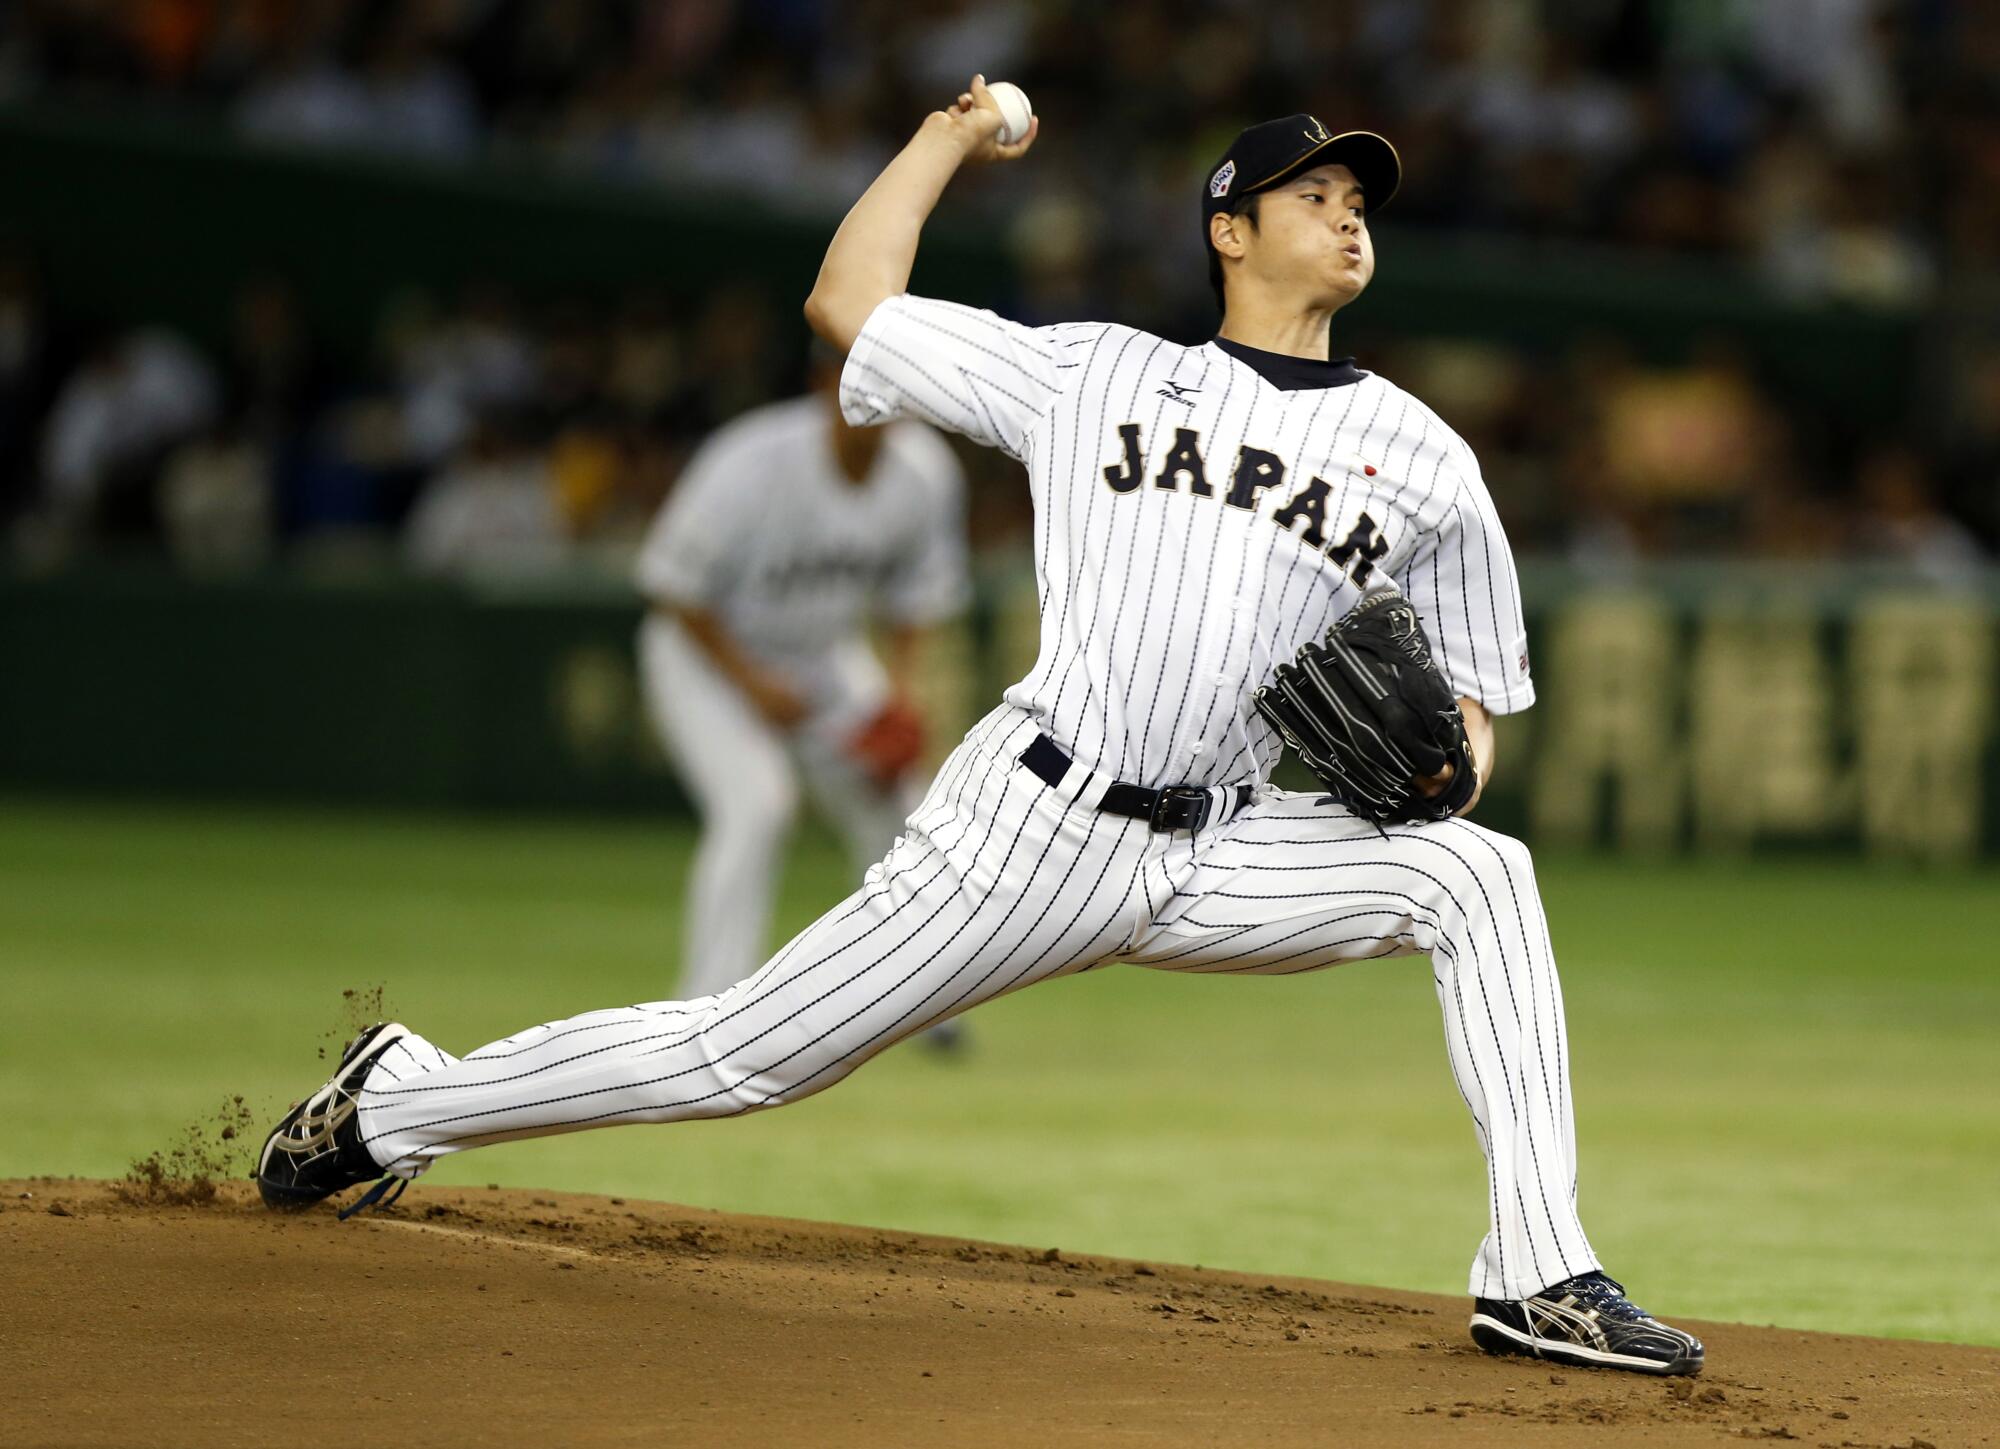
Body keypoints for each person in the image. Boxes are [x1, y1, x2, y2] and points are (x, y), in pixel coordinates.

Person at [257, 81, 1704, 1379]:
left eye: (1358, 201)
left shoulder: (1428, 459)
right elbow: (850, 303)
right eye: (1311, 194)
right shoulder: (1098, 374)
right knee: (742, 1057)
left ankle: (1538, 1274)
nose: (1345, 216)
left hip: (1222, 844)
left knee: (1480, 874)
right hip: (1034, 823)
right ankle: (400, 1103)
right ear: (1228, 231)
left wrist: (1449, 769)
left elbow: (1473, 703)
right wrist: (949, 137)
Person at [633, 355, 971, 1026]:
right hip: (707, 656)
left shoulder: (924, 472)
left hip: (823, 657)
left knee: (908, 805)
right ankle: (705, 1006)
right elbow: (671, 584)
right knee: (757, 804)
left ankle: (922, 1002)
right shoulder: (751, 460)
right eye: (861, 382)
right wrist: (751, 682)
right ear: (823, 385)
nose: (879, 403)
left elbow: (917, 599)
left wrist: (900, 698)